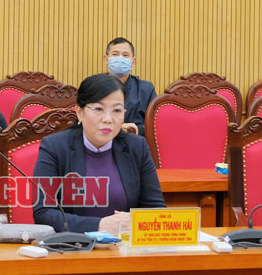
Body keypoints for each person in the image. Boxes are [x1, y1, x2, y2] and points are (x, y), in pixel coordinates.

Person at [32, 73, 165, 233]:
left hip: (123, 245)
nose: (108, 119)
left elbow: (156, 209)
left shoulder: (136, 147)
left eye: (117, 110)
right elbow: (43, 212)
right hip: (74, 245)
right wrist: (99, 225)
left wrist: (136, 221)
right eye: (98, 109)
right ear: (80, 112)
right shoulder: (55, 147)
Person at [103, 37, 156, 135]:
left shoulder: (146, 89)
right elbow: (83, 122)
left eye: (125, 55)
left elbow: (156, 125)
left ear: (133, 62)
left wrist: (136, 129)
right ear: (106, 59)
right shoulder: (92, 87)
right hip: (102, 141)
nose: (120, 59)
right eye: (115, 54)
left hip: (136, 141)